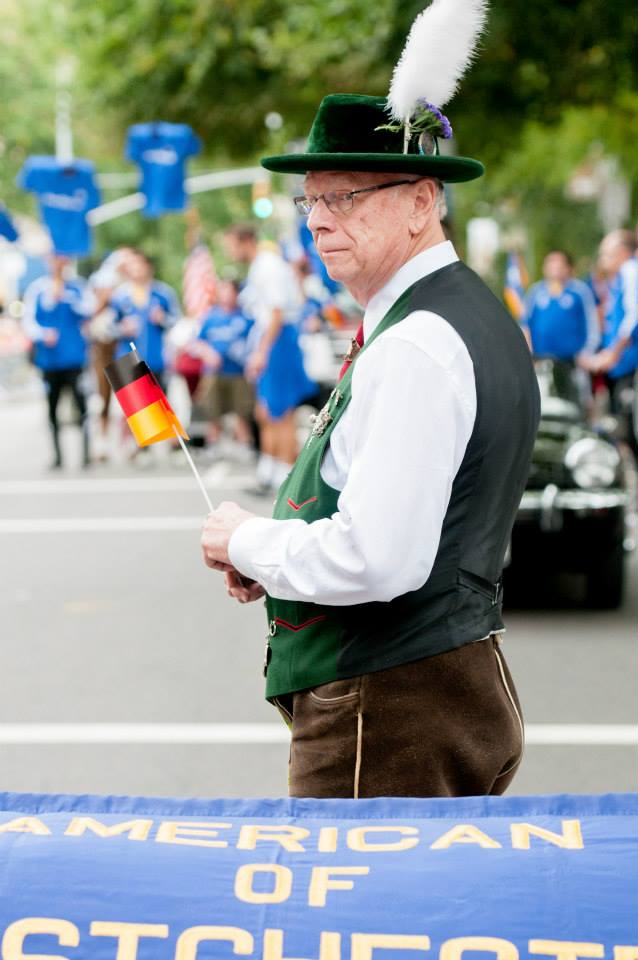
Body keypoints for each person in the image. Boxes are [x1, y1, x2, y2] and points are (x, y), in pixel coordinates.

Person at [201, 8, 540, 798]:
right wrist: (278, 553)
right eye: (310, 200)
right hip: (429, 692)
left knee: (353, 918)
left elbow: (379, 558)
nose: (318, 219)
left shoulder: (417, 343)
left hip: (389, 706)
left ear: (422, 202)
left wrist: (252, 541)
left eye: (347, 196)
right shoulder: (457, 313)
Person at [224, 225, 316, 493]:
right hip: (271, 340)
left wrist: (263, 351)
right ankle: (270, 471)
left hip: (278, 341)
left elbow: (276, 312)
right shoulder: (260, 266)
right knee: (266, 411)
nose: (230, 251)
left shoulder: (268, 266)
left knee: (280, 411)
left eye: (231, 244)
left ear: (246, 240)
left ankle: (289, 478)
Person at [22, 254, 94, 469]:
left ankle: (86, 453)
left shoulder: (78, 288)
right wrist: (43, 335)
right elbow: (28, 322)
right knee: (52, 408)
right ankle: (57, 455)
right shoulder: (37, 289)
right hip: (49, 361)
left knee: (82, 407)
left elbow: (89, 311)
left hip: (74, 358)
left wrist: (65, 296)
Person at [583, 230, 638, 457]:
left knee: (628, 425)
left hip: (629, 364)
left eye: (606, 254)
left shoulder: (630, 271)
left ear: (622, 253)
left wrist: (613, 353)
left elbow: (633, 316)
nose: (603, 261)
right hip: (620, 366)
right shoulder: (617, 280)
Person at [191, 278, 255, 452]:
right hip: (213, 372)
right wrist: (208, 353)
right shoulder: (211, 317)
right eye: (222, 291)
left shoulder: (245, 318)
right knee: (212, 410)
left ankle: (243, 444)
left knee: (241, 410)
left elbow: (254, 344)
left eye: (229, 291)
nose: (226, 295)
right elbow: (197, 343)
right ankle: (213, 444)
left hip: (238, 372)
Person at [110, 249, 180, 389]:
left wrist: (162, 319)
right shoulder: (119, 295)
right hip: (127, 361)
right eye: (131, 265)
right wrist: (122, 329)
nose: (135, 268)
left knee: (157, 409)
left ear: (148, 266)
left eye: (138, 264)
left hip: (157, 359)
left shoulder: (164, 293)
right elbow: (108, 328)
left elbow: (177, 321)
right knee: (134, 409)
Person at [522, 250, 599, 361]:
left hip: (574, 360)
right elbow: (525, 324)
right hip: (541, 360)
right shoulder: (535, 292)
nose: (555, 267)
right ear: (544, 268)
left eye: (559, 264)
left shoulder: (580, 290)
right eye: (551, 263)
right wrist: (528, 354)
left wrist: (587, 352)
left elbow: (592, 323)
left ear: (568, 268)